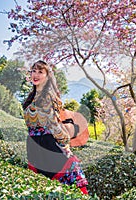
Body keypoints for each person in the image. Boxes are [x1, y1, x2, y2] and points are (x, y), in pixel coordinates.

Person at [22, 60, 88, 194]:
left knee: (67, 177)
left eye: (40, 72)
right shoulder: (31, 97)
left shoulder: (49, 97)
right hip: (34, 145)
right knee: (44, 187)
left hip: (48, 144)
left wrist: (64, 146)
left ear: (47, 76)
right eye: (34, 71)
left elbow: (54, 125)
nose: (36, 74)